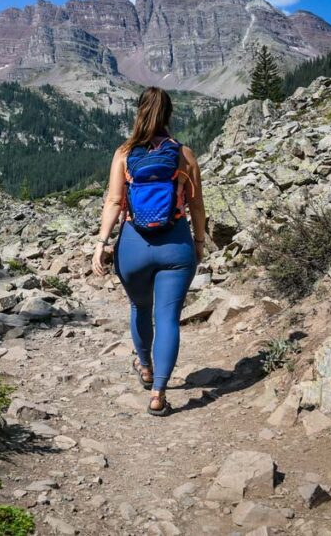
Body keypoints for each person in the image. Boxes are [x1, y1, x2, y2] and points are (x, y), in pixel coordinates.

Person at [91, 87, 206, 416]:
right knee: (168, 318)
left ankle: (144, 366)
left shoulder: (125, 153)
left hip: (133, 246)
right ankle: (158, 393)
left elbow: (114, 202)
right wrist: (198, 243)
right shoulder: (184, 154)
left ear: (138, 112)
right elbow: (197, 207)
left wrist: (100, 244)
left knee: (141, 308)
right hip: (176, 245)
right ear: (169, 115)